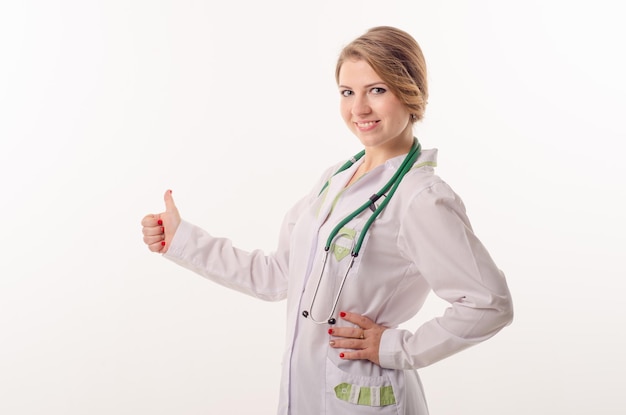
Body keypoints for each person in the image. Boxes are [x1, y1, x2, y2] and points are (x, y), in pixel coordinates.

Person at [141, 25, 513, 415]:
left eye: (377, 90)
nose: (359, 109)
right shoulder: (336, 180)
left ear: (410, 91)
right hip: (305, 391)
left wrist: (395, 347)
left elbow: (490, 304)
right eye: (347, 92)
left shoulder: (421, 198)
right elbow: (277, 275)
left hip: (367, 396)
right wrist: (181, 239)